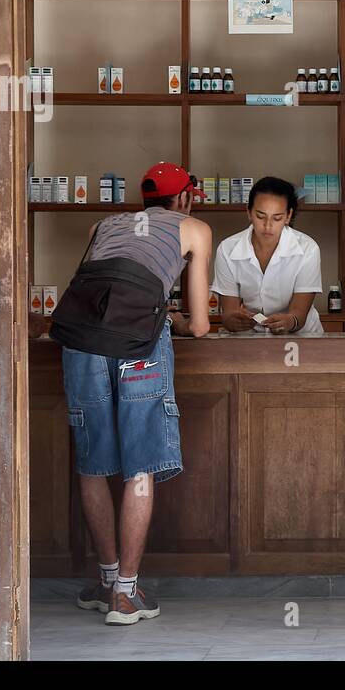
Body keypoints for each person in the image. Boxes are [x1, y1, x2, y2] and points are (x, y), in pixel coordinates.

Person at [57, 161, 212, 626]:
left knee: (94, 463)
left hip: (81, 342)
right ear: (184, 197)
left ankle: (106, 583)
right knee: (139, 462)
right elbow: (201, 325)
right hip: (139, 346)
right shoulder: (195, 229)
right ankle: (127, 593)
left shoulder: (102, 223)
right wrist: (177, 320)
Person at [214, 176, 323, 335]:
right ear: (249, 212)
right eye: (260, 216)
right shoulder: (227, 249)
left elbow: (299, 313)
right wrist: (234, 321)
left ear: (288, 216)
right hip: (250, 339)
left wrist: (290, 321)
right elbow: (228, 313)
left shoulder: (308, 249)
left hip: (301, 338)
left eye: (277, 218)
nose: (268, 225)